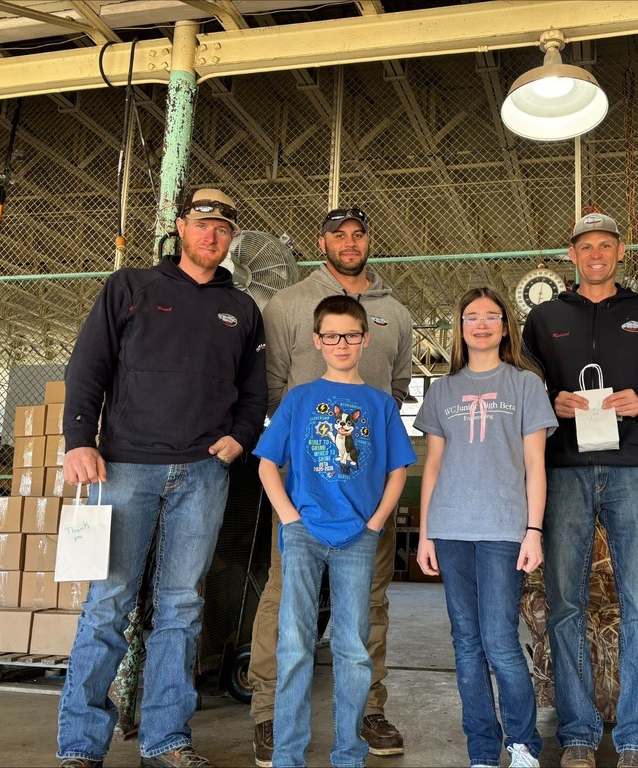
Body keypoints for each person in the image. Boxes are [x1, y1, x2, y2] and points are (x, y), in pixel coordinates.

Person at [56, 188, 268, 768]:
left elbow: (254, 395)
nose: (212, 234)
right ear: (181, 227)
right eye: (203, 223)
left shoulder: (242, 310)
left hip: (203, 474)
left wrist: (240, 439)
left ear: (231, 238)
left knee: (181, 607)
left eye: (224, 227)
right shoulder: (130, 287)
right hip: (124, 468)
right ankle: (80, 745)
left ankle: (166, 740)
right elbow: (87, 366)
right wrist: (79, 440)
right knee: (108, 602)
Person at [521, 209, 638, 768]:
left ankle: (637, 738)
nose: (595, 254)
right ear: (572, 255)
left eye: (605, 245)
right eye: (585, 246)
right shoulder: (543, 319)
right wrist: (550, 404)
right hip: (563, 469)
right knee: (565, 606)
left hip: (635, 468)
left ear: (621, 251)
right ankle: (577, 735)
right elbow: (523, 392)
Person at [249, 206, 413, 765]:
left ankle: (366, 714)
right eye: (338, 234)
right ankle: (271, 717)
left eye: (358, 233)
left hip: (364, 509)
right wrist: (293, 501)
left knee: (369, 607)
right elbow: (273, 392)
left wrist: (373, 515)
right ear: (322, 242)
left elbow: (394, 392)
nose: (349, 241)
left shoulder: (395, 311)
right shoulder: (288, 304)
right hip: (302, 498)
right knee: (285, 608)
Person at [414, 287, 558, 768]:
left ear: (505, 326)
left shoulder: (525, 385)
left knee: (498, 639)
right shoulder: (442, 390)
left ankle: (521, 744)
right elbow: (431, 467)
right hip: (451, 528)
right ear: (459, 327)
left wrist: (533, 530)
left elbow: (536, 465)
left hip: (502, 529)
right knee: (466, 643)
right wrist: (426, 534)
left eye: (490, 316)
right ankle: (481, 750)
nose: (480, 324)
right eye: (471, 317)